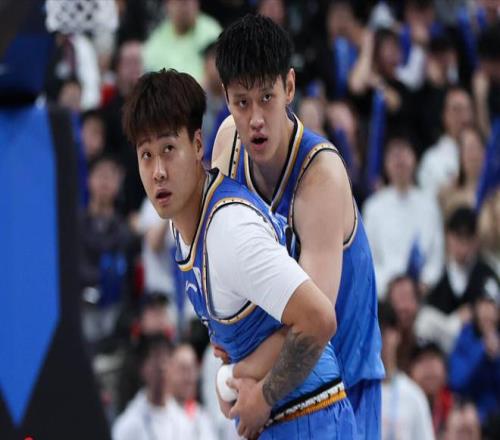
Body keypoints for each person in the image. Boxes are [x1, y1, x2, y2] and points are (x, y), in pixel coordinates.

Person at [122, 68, 356, 439]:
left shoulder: (230, 231)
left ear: (197, 145)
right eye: (146, 155)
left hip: (313, 419)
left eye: (168, 149)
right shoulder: (182, 221)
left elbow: (319, 320)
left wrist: (262, 395)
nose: (159, 172)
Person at [212, 14, 383, 439]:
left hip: (341, 383)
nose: (255, 118)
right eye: (242, 102)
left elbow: (316, 323)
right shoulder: (227, 145)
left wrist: (256, 387)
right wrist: (228, 356)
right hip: (276, 372)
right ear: (226, 97)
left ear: (289, 87)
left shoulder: (321, 176)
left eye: (267, 98)